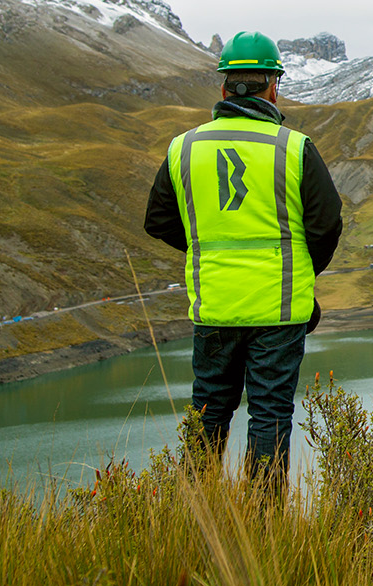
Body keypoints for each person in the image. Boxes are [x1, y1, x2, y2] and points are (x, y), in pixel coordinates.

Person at [144, 30, 343, 491]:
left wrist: (207, 249)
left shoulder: (183, 148)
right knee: (270, 414)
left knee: (208, 409)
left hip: (214, 307)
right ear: (273, 85)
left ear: (223, 87)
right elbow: (326, 224)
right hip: (278, 311)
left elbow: (158, 221)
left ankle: (196, 516)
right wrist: (299, 277)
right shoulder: (293, 147)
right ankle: (262, 528)